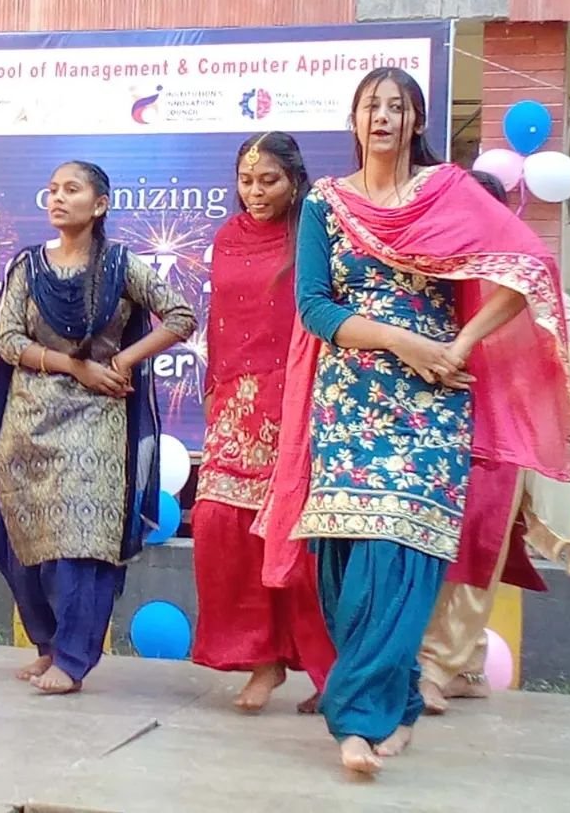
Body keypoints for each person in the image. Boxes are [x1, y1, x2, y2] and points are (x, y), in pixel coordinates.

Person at [257, 68, 570, 775]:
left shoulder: (446, 191)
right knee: (345, 570)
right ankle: (403, 697)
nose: (382, 117)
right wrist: (402, 341)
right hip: (349, 401)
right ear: (355, 121)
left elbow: (529, 268)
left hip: (430, 401)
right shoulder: (327, 203)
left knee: (400, 558)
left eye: (397, 107)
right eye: (370, 106)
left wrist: (461, 345)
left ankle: (357, 723)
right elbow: (315, 307)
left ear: (416, 121)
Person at [0, 160, 197, 696]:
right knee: (11, 534)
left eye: (71, 190)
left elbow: (181, 316)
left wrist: (122, 362)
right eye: (52, 190)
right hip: (28, 420)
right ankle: (47, 643)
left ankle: (74, 658)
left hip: (97, 418)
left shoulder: (121, 264)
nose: (57, 198)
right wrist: (74, 366)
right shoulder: (28, 266)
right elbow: (9, 341)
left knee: (82, 540)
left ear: (99, 205)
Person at [418, 170, 570, 713]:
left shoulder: (522, 278)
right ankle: (464, 665)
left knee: (474, 551)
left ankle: (435, 667)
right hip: (433, 434)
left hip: (498, 442)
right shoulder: (435, 270)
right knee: (430, 552)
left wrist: (529, 362)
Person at [191, 133, 334, 714]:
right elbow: (220, 320)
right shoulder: (228, 237)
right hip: (235, 400)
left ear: (295, 182)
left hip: (300, 398)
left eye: (268, 180)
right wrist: (213, 388)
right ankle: (262, 659)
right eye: (246, 180)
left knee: (300, 540)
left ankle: (331, 672)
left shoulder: (314, 235)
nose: (255, 191)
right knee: (219, 526)